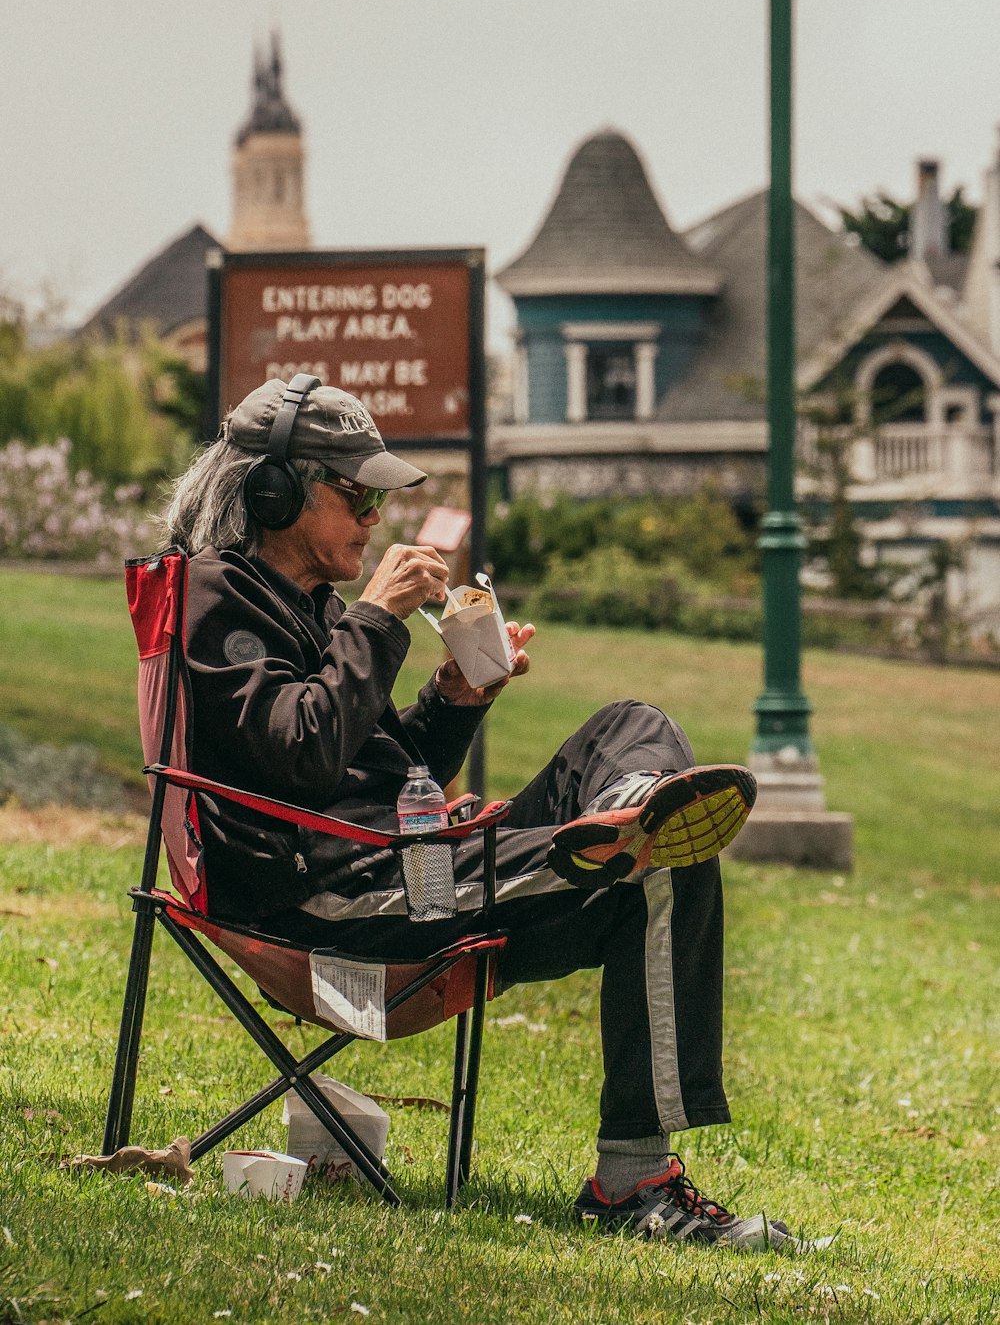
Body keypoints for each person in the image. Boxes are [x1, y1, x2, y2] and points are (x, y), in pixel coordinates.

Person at [162, 375, 797, 1250]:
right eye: (355, 491)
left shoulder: (317, 612)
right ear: (276, 492)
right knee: (660, 857)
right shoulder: (217, 596)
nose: (375, 514)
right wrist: (381, 619)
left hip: (394, 862)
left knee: (635, 726)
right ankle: (633, 1184)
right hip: (327, 897)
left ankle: (625, 817)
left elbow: (390, 775)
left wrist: (457, 694)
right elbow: (297, 753)